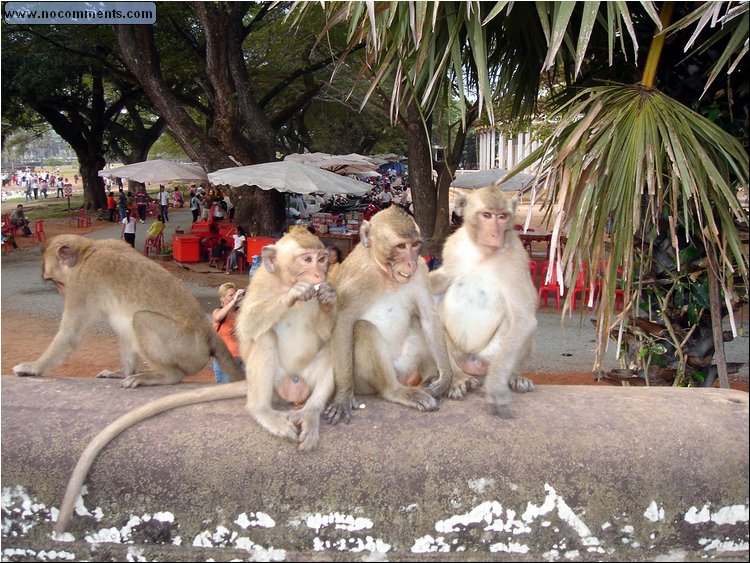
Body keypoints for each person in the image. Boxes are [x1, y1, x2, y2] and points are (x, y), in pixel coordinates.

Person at [211, 282, 246, 383]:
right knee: (224, 391)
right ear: (222, 298)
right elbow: (217, 317)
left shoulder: (239, 312)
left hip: (241, 358)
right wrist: (234, 301)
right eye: (230, 295)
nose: (233, 297)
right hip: (224, 360)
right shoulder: (217, 311)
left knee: (241, 391)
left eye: (234, 294)